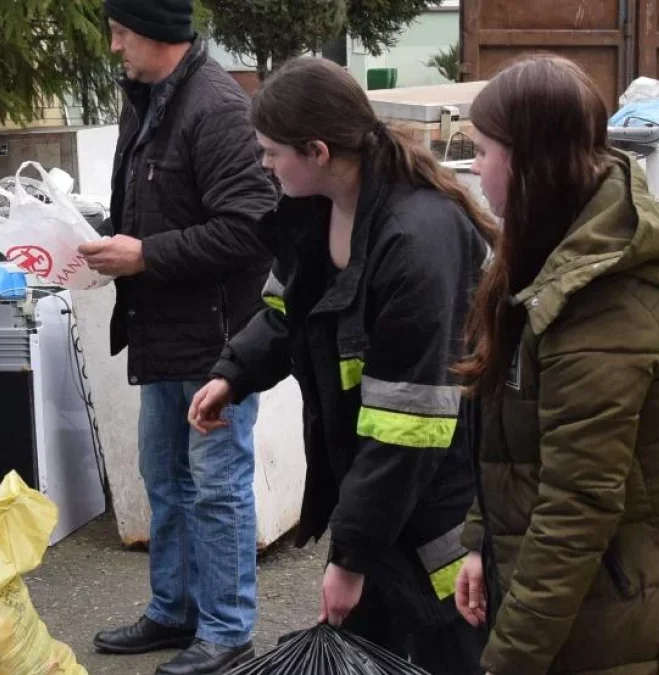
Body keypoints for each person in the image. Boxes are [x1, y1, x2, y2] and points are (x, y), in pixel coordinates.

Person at [189, 57, 494, 671]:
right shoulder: (312, 210)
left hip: (441, 509)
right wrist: (233, 373)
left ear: (319, 150)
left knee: (449, 648)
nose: (264, 165)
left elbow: (407, 426)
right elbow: (284, 310)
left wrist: (348, 559)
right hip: (376, 492)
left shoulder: (417, 240)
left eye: (272, 152)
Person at [452, 54, 659, 674]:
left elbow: (575, 509)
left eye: (483, 152)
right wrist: (481, 540)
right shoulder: (550, 253)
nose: (474, 170)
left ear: (530, 162)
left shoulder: (602, 310)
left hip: (653, 616)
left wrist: (505, 662)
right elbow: (510, 431)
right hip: (610, 595)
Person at [80, 0, 278, 672]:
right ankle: (175, 610)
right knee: (165, 477)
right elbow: (154, 205)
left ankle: (227, 631)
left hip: (216, 341)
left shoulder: (216, 107)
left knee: (217, 483)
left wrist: (145, 256)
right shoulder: (151, 98)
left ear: (156, 33)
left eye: (120, 33)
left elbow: (251, 226)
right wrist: (100, 237)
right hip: (161, 332)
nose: (114, 48)